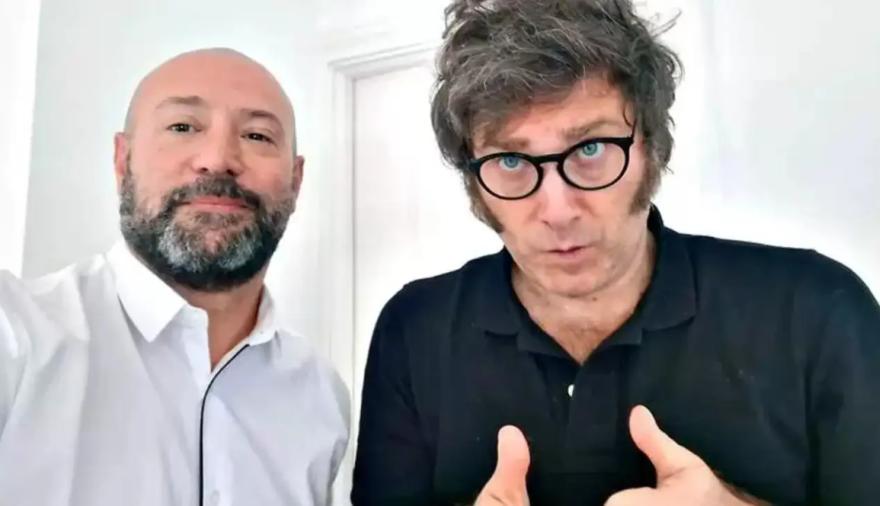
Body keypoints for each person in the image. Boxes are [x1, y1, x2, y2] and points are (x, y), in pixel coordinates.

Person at [351, 1, 880, 505]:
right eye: (510, 160)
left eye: (591, 148)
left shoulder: (817, 310)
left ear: (652, 147)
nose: (557, 210)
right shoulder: (414, 330)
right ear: (475, 184)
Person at [0, 48, 349, 505]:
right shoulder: (17, 336)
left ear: (296, 180)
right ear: (122, 160)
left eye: (257, 135)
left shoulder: (321, 398)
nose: (218, 159)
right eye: (183, 127)